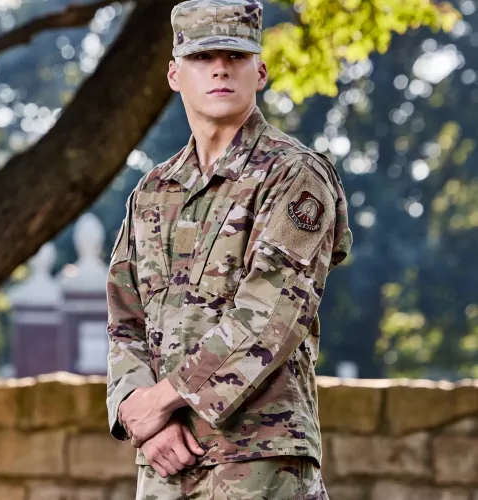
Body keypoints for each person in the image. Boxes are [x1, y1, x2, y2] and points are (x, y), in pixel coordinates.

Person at [105, 0, 354, 498]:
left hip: (260, 462)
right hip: (166, 464)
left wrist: (161, 400)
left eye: (235, 56)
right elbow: (125, 319)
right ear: (175, 74)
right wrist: (142, 413)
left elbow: (271, 315)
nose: (220, 67)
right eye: (202, 57)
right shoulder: (153, 191)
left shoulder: (294, 176)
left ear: (259, 71)